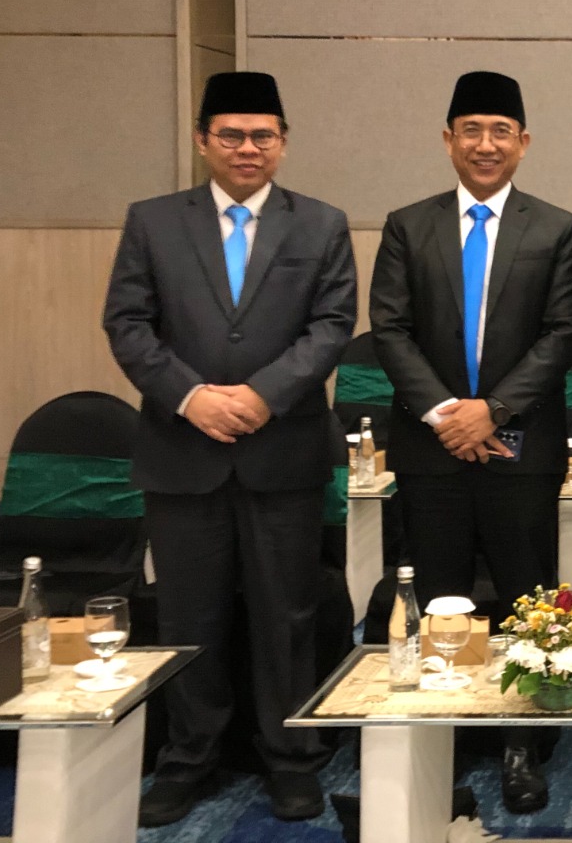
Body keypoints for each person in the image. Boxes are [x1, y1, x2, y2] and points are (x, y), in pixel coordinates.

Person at [102, 72, 356, 826]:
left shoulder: (321, 223)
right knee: (189, 617)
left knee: (288, 615)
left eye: (262, 135)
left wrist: (261, 395)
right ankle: (189, 759)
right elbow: (127, 323)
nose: (248, 148)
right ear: (203, 139)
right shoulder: (153, 221)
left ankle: (290, 758)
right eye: (232, 134)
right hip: (183, 450)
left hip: (283, 451)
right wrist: (191, 397)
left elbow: (332, 324)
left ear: (283, 142)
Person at [369, 71, 572, 814]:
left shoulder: (556, 228)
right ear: (448, 140)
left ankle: (522, 744)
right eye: (471, 130)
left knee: (529, 596)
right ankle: (444, 732)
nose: (485, 145)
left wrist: (491, 412)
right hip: (430, 449)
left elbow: (563, 334)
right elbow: (389, 329)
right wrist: (445, 415)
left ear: (523, 143)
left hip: (520, 446)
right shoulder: (408, 225)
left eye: (501, 131)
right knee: (440, 595)